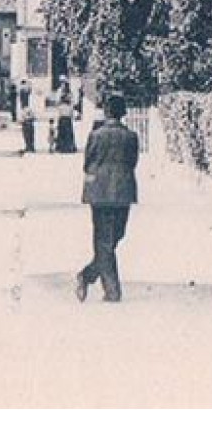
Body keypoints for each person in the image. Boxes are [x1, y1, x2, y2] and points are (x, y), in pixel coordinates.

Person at [75, 94, 139, 303]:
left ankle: (87, 275)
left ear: (107, 112)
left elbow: (88, 162)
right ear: (123, 113)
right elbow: (132, 162)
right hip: (122, 192)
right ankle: (112, 291)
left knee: (106, 241)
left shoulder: (96, 136)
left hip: (99, 192)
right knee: (114, 237)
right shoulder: (131, 137)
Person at [53, 89, 77, 154]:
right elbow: (72, 115)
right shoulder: (70, 107)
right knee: (68, 134)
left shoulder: (60, 106)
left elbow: (58, 111)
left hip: (62, 120)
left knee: (61, 134)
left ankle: (61, 147)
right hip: (68, 120)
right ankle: (69, 147)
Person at [19, 89, 38, 153]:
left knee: (27, 136)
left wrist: (22, 121)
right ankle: (31, 147)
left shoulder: (23, 110)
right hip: (30, 124)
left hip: (26, 124)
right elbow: (34, 117)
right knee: (31, 136)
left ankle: (28, 146)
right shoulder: (30, 108)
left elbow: (21, 119)